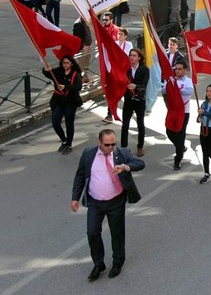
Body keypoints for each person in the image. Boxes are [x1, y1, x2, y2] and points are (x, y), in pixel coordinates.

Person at [71, 129, 145, 281]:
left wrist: (124, 167)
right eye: (107, 145)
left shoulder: (121, 153)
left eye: (113, 144)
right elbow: (79, 176)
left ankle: (118, 262)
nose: (111, 148)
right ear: (99, 143)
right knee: (92, 233)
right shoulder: (88, 154)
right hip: (95, 203)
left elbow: (140, 163)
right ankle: (98, 264)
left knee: (117, 234)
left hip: (116, 202)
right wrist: (75, 198)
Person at [43, 55, 83, 155]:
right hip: (58, 101)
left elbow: (78, 87)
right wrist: (45, 69)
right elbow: (49, 74)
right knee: (55, 122)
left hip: (70, 101)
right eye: (63, 62)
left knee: (69, 123)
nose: (65, 65)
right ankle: (64, 140)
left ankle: (69, 144)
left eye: (67, 63)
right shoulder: (58, 71)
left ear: (71, 64)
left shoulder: (75, 74)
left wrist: (65, 87)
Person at [162, 61, 194, 171]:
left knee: (180, 135)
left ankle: (178, 160)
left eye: (180, 69)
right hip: (172, 111)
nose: (177, 71)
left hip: (184, 112)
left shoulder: (188, 81)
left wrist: (175, 89)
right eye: (176, 69)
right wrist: (169, 86)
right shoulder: (171, 81)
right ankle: (180, 147)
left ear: (185, 70)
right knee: (169, 131)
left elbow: (188, 91)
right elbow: (164, 90)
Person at [120, 49, 149, 157]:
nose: (131, 57)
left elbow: (144, 84)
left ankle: (140, 146)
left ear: (139, 58)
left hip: (139, 100)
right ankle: (123, 147)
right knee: (125, 124)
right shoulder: (126, 69)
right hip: (128, 100)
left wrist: (136, 86)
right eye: (130, 55)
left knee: (140, 124)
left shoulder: (144, 69)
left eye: (134, 55)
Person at [73, 17, 93, 84]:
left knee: (86, 64)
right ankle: (80, 80)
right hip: (83, 48)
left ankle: (85, 77)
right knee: (81, 65)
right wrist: (83, 46)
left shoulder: (86, 22)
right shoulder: (78, 24)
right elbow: (77, 38)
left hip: (88, 46)